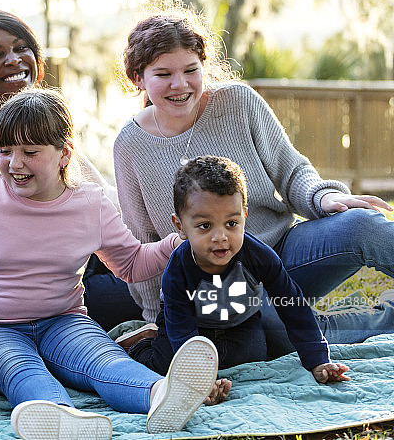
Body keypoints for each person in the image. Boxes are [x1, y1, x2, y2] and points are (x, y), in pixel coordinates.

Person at [0, 89, 229, 437]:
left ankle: (164, 394)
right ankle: (60, 417)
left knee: (104, 359)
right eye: (4, 151)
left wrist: (174, 244)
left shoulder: (91, 204)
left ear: (64, 154)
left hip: (63, 322)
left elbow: (130, 264)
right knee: (19, 366)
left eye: (30, 152)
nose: (14, 164)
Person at [113, 2, 394, 357]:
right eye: (163, 74)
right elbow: (145, 241)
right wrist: (159, 318)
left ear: (204, 67)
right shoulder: (130, 145)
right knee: (278, 330)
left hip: (281, 252)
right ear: (138, 78)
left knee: (361, 225)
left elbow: (291, 171)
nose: (179, 84)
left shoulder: (240, 102)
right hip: (217, 281)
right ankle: (386, 321)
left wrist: (323, 198)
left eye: (190, 69)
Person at [0, 9, 141, 330]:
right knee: (172, 293)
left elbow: (100, 194)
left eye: (21, 48)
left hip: (104, 252)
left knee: (178, 278)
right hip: (61, 281)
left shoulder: (46, 121)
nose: (14, 60)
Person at [129, 156, 351, 386]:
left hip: (239, 322)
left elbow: (293, 305)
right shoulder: (178, 270)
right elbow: (182, 332)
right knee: (166, 366)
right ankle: (142, 345)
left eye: (231, 223)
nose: (220, 237)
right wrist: (202, 383)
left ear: (244, 215)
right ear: (180, 226)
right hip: (187, 324)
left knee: (251, 356)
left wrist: (318, 360)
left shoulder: (259, 256)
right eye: (205, 226)